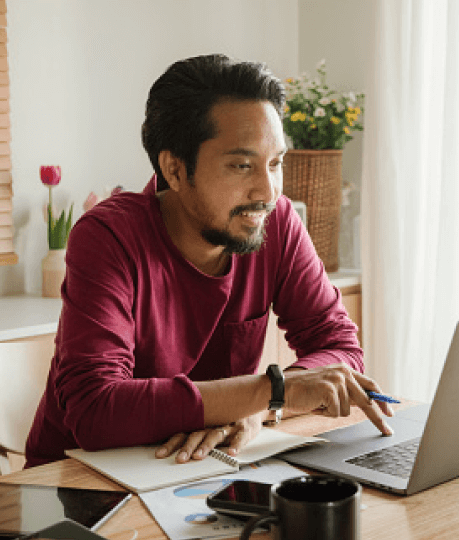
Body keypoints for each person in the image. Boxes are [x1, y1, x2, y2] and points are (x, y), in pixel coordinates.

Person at [25, 54, 393, 468]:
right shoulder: (108, 237)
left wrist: (258, 408)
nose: (267, 191)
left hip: (202, 471)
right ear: (176, 170)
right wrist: (273, 390)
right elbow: (95, 410)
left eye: (275, 164)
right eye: (242, 165)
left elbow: (338, 347)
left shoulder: (277, 222)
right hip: (73, 486)